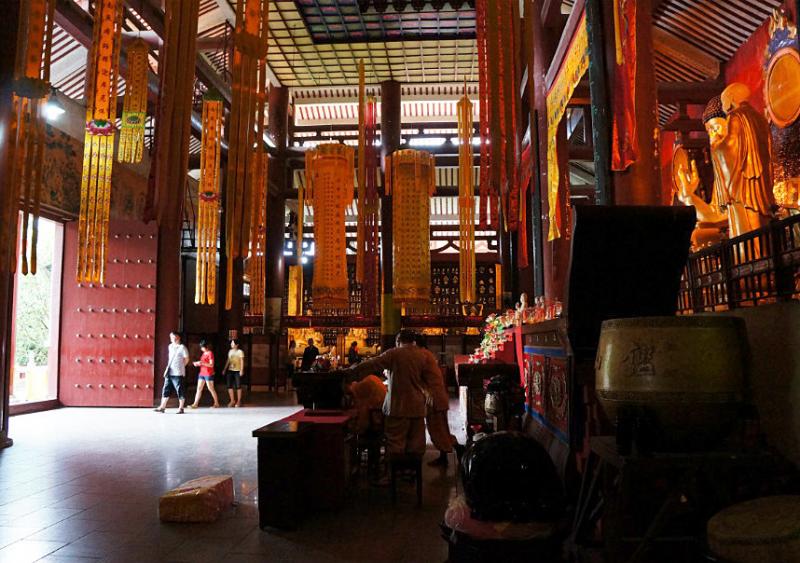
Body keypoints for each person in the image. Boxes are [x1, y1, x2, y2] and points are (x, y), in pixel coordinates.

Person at [343, 329, 441, 458]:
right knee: (416, 444)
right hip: (417, 407)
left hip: (397, 407)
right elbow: (429, 381)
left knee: (396, 443)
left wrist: (351, 370)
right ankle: (412, 473)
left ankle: (395, 474)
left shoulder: (394, 354)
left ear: (398, 341)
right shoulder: (423, 355)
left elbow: (373, 364)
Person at [415, 333, 455, 467]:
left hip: (434, 397)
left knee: (439, 430)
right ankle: (449, 455)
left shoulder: (421, 355)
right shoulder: (426, 353)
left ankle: (450, 455)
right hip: (437, 396)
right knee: (441, 429)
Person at [155, 331, 189, 414]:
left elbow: (187, 359)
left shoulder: (182, 348)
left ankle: (181, 408)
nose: (172, 339)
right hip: (170, 371)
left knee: (179, 389)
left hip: (178, 372)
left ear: (178, 337)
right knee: (166, 388)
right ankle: (162, 406)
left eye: (173, 337)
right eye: (171, 337)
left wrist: (181, 366)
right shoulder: (170, 346)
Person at [190, 340, 220, 409]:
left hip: (208, 373)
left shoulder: (210, 353)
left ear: (206, 347)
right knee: (199, 388)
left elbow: (211, 365)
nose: (201, 349)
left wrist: (201, 363)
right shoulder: (204, 353)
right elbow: (203, 362)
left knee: (211, 388)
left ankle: (216, 403)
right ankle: (195, 404)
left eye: (202, 347)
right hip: (202, 373)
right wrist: (198, 363)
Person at [222, 339, 245, 408]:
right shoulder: (230, 351)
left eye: (233, 343)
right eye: (231, 343)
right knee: (229, 386)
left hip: (237, 370)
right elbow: (228, 360)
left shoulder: (240, 352)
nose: (231, 345)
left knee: (238, 386)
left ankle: (238, 401)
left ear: (237, 345)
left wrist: (241, 370)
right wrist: (225, 369)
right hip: (230, 370)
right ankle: (232, 401)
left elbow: (242, 361)